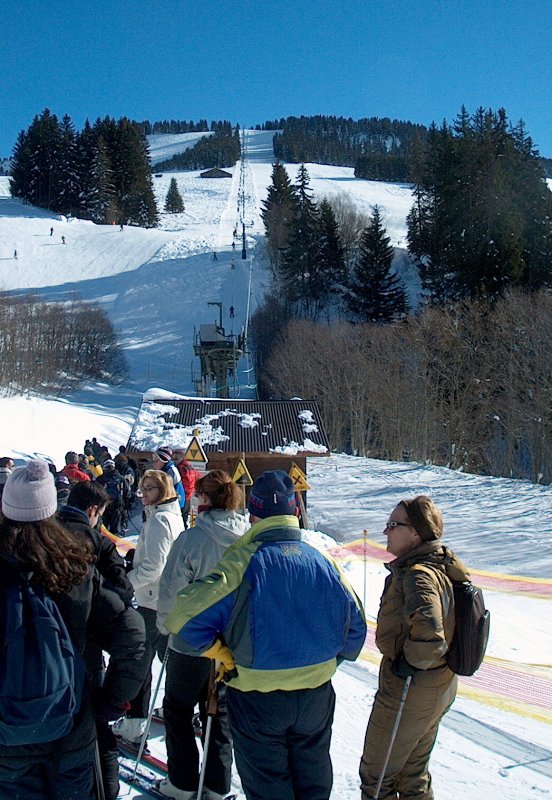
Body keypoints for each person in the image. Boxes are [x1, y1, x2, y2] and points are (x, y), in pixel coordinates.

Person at [165, 470, 367, 800]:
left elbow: (183, 619)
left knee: (269, 786)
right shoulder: (323, 562)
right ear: (296, 512)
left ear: (253, 515)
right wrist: (325, 660)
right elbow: (356, 628)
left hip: (257, 695)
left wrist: (223, 653)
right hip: (315, 694)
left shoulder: (243, 562)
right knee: (314, 782)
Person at [0, 459, 146, 800]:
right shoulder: (75, 565)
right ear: (52, 508)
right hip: (72, 726)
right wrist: (111, 701)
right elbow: (133, 636)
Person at [359, 496, 470, 800]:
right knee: (412, 777)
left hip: (411, 687)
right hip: (437, 685)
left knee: (376, 778)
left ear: (415, 533)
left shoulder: (419, 574)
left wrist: (405, 663)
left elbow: (430, 636)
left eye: (393, 525)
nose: (386, 531)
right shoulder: (438, 565)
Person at [156, 470, 249, 800]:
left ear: (205, 499)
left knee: (178, 710)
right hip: (231, 644)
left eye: (197, 495)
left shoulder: (191, 539)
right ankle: (217, 786)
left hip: (190, 641)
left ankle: (182, 782)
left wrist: (165, 627)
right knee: (219, 714)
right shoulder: (248, 539)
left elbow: (170, 591)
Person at [58, 479, 134, 800]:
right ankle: (107, 790)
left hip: (38, 648)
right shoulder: (96, 541)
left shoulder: (38, 531)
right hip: (85, 650)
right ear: (93, 511)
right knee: (95, 728)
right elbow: (123, 592)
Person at [113, 469, 183, 746]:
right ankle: (177, 707)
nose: (143, 494)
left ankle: (134, 724)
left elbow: (154, 566)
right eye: (142, 489)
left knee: (138, 665)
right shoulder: (170, 516)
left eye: (150, 488)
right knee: (172, 659)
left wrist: (126, 582)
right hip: (167, 600)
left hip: (151, 601)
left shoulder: (160, 521)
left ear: (163, 490)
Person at [97, 459, 129, 535]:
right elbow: (127, 492)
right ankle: (115, 544)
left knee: (103, 530)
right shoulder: (121, 478)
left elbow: (95, 492)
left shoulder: (100, 479)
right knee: (115, 531)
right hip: (117, 505)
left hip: (103, 506)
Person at [153, 447, 186, 513]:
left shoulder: (170, 472)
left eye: (156, 461)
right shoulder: (164, 470)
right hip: (170, 505)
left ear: (164, 460)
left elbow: (166, 493)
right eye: (153, 461)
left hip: (174, 507)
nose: (154, 464)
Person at [172, 451, 199, 529]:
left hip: (181, 496)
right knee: (184, 518)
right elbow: (198, 477)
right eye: (173, 458)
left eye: (176, 458)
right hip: (188, 497)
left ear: (182, 458)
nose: (174, 460)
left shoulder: (179, 469)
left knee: (179, 519)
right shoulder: (190, 467)